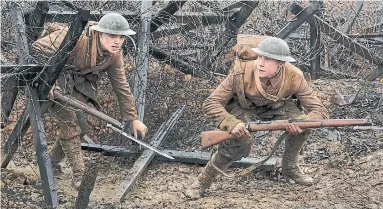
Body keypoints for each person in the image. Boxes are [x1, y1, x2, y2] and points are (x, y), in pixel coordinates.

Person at [185, 36, 329, 199]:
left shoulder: (294, 76)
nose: (260, 62)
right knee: (233, 141)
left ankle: (289, 167)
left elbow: (318, 109)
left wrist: (302, 123)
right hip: (245, 108)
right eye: (260, 56)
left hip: (279, 109)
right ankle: (202, 183)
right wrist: (231, 123)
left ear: (281, 63)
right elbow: (211, 103)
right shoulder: (241, 72)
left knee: (305, 127)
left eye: (268, 59)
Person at [32, 13, 148, 189]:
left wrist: (132, 118)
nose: (117, 41)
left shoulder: (114, 55)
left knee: (81, 125)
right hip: (49, 80)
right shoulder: (74, 37)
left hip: (74, 82)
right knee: (68, 124)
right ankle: (80, 177)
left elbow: (121, 86)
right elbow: (36, 50)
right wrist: (49, 82)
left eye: (121, 37)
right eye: (112, 36)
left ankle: (50, 164)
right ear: (99, 33)